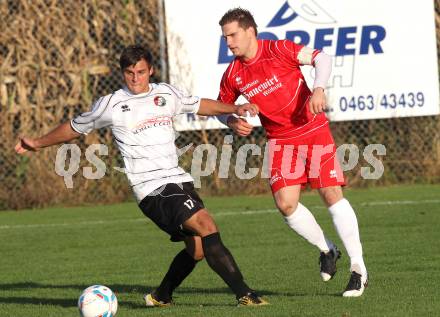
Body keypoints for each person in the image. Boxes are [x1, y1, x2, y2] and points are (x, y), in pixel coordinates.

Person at [15, 45, 268, 307]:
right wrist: (37, 142)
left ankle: (160, 296)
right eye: (129, 72)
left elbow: (199, 105)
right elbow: (74, 128)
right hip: (151, 188)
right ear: (122, 73)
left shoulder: (165, 93)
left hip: (177, 179)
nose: (135, 78)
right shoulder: (111, 104)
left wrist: (233, 111)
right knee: (207, 225)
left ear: (151, 71)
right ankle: (246, 295)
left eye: (141, 72)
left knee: (198, 249)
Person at [216, 8, 368, 297]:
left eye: (232, 35)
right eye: (225, 38)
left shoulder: (280, 49)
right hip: (280, 140)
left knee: (331, 194)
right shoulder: (233, 74)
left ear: (250, 31)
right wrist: (232, 120)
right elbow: (222, 107)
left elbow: (321, 58)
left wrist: (319, 89)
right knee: (286, 205)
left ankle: (358, 270)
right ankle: (328, 249)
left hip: (312, 130)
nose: (229, 43)